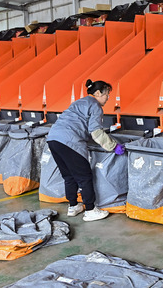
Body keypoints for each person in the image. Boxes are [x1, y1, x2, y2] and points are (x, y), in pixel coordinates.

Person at [47, 79, 125, 221]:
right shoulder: (95, 106)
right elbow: (96, 131)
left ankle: (73, 206)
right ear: (97, 93)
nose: (108, 97)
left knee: (69, 175)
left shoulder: (79, 102)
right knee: (84, 176)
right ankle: (90, 210)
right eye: (106, 94)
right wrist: (114, 146)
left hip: (53, 139)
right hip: (69, 141)